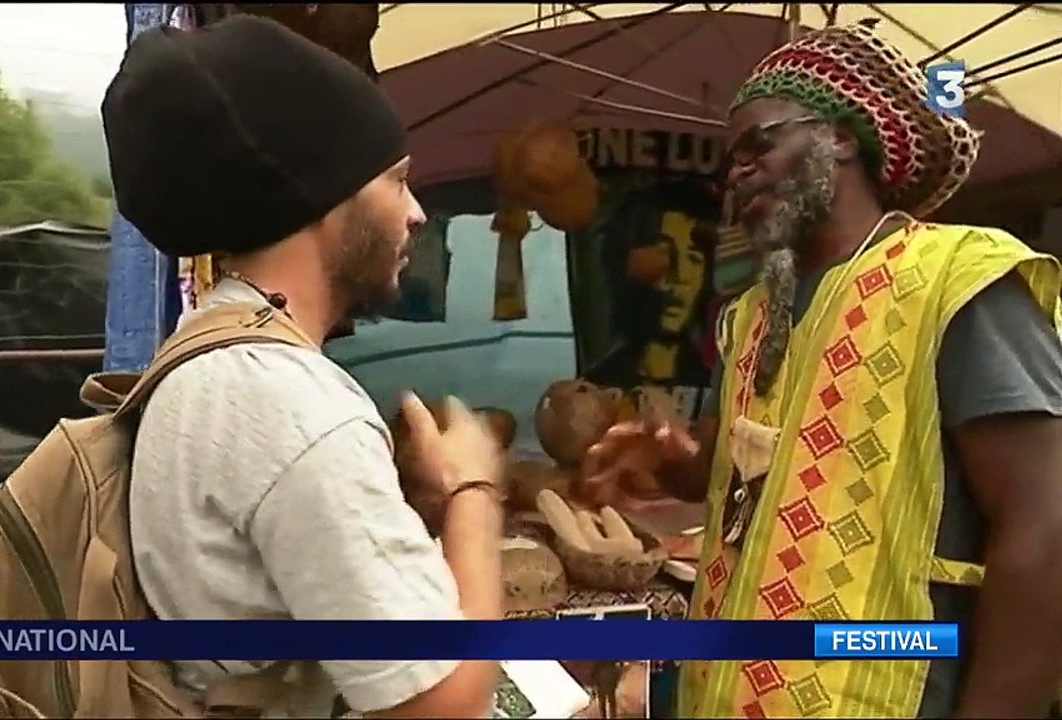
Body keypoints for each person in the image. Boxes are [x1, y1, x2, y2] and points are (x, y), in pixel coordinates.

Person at [579, 20, 1062, 719]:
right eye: (728, 163)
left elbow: (1045, 521)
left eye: (760, 144)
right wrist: (676, 465)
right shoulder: (750, 318)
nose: (738, 173)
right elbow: (752, 481)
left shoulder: (955, 277)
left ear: (842, 136)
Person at [101, 15, 505, 719]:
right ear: (326, 197)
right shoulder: (294, 407)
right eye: (396, 180)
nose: (415, 212)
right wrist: (475, 488)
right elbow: (444, 705)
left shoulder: (207, 352)